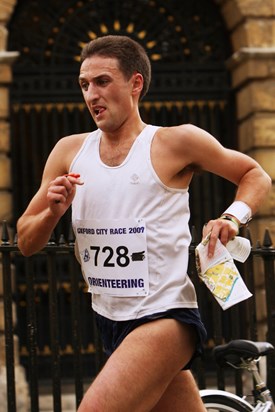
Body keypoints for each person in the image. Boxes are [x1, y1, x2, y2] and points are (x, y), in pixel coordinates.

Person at [17, 35, 271, 411]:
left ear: (135, 83)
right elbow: (25, 240)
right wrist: (54, 212)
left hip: (165, 317)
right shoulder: (69, 151)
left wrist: (232, 217)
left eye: (103, 81)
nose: (91, 95)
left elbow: (255, 174)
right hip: (109, 319)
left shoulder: (175, 142)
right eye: (84, 85)